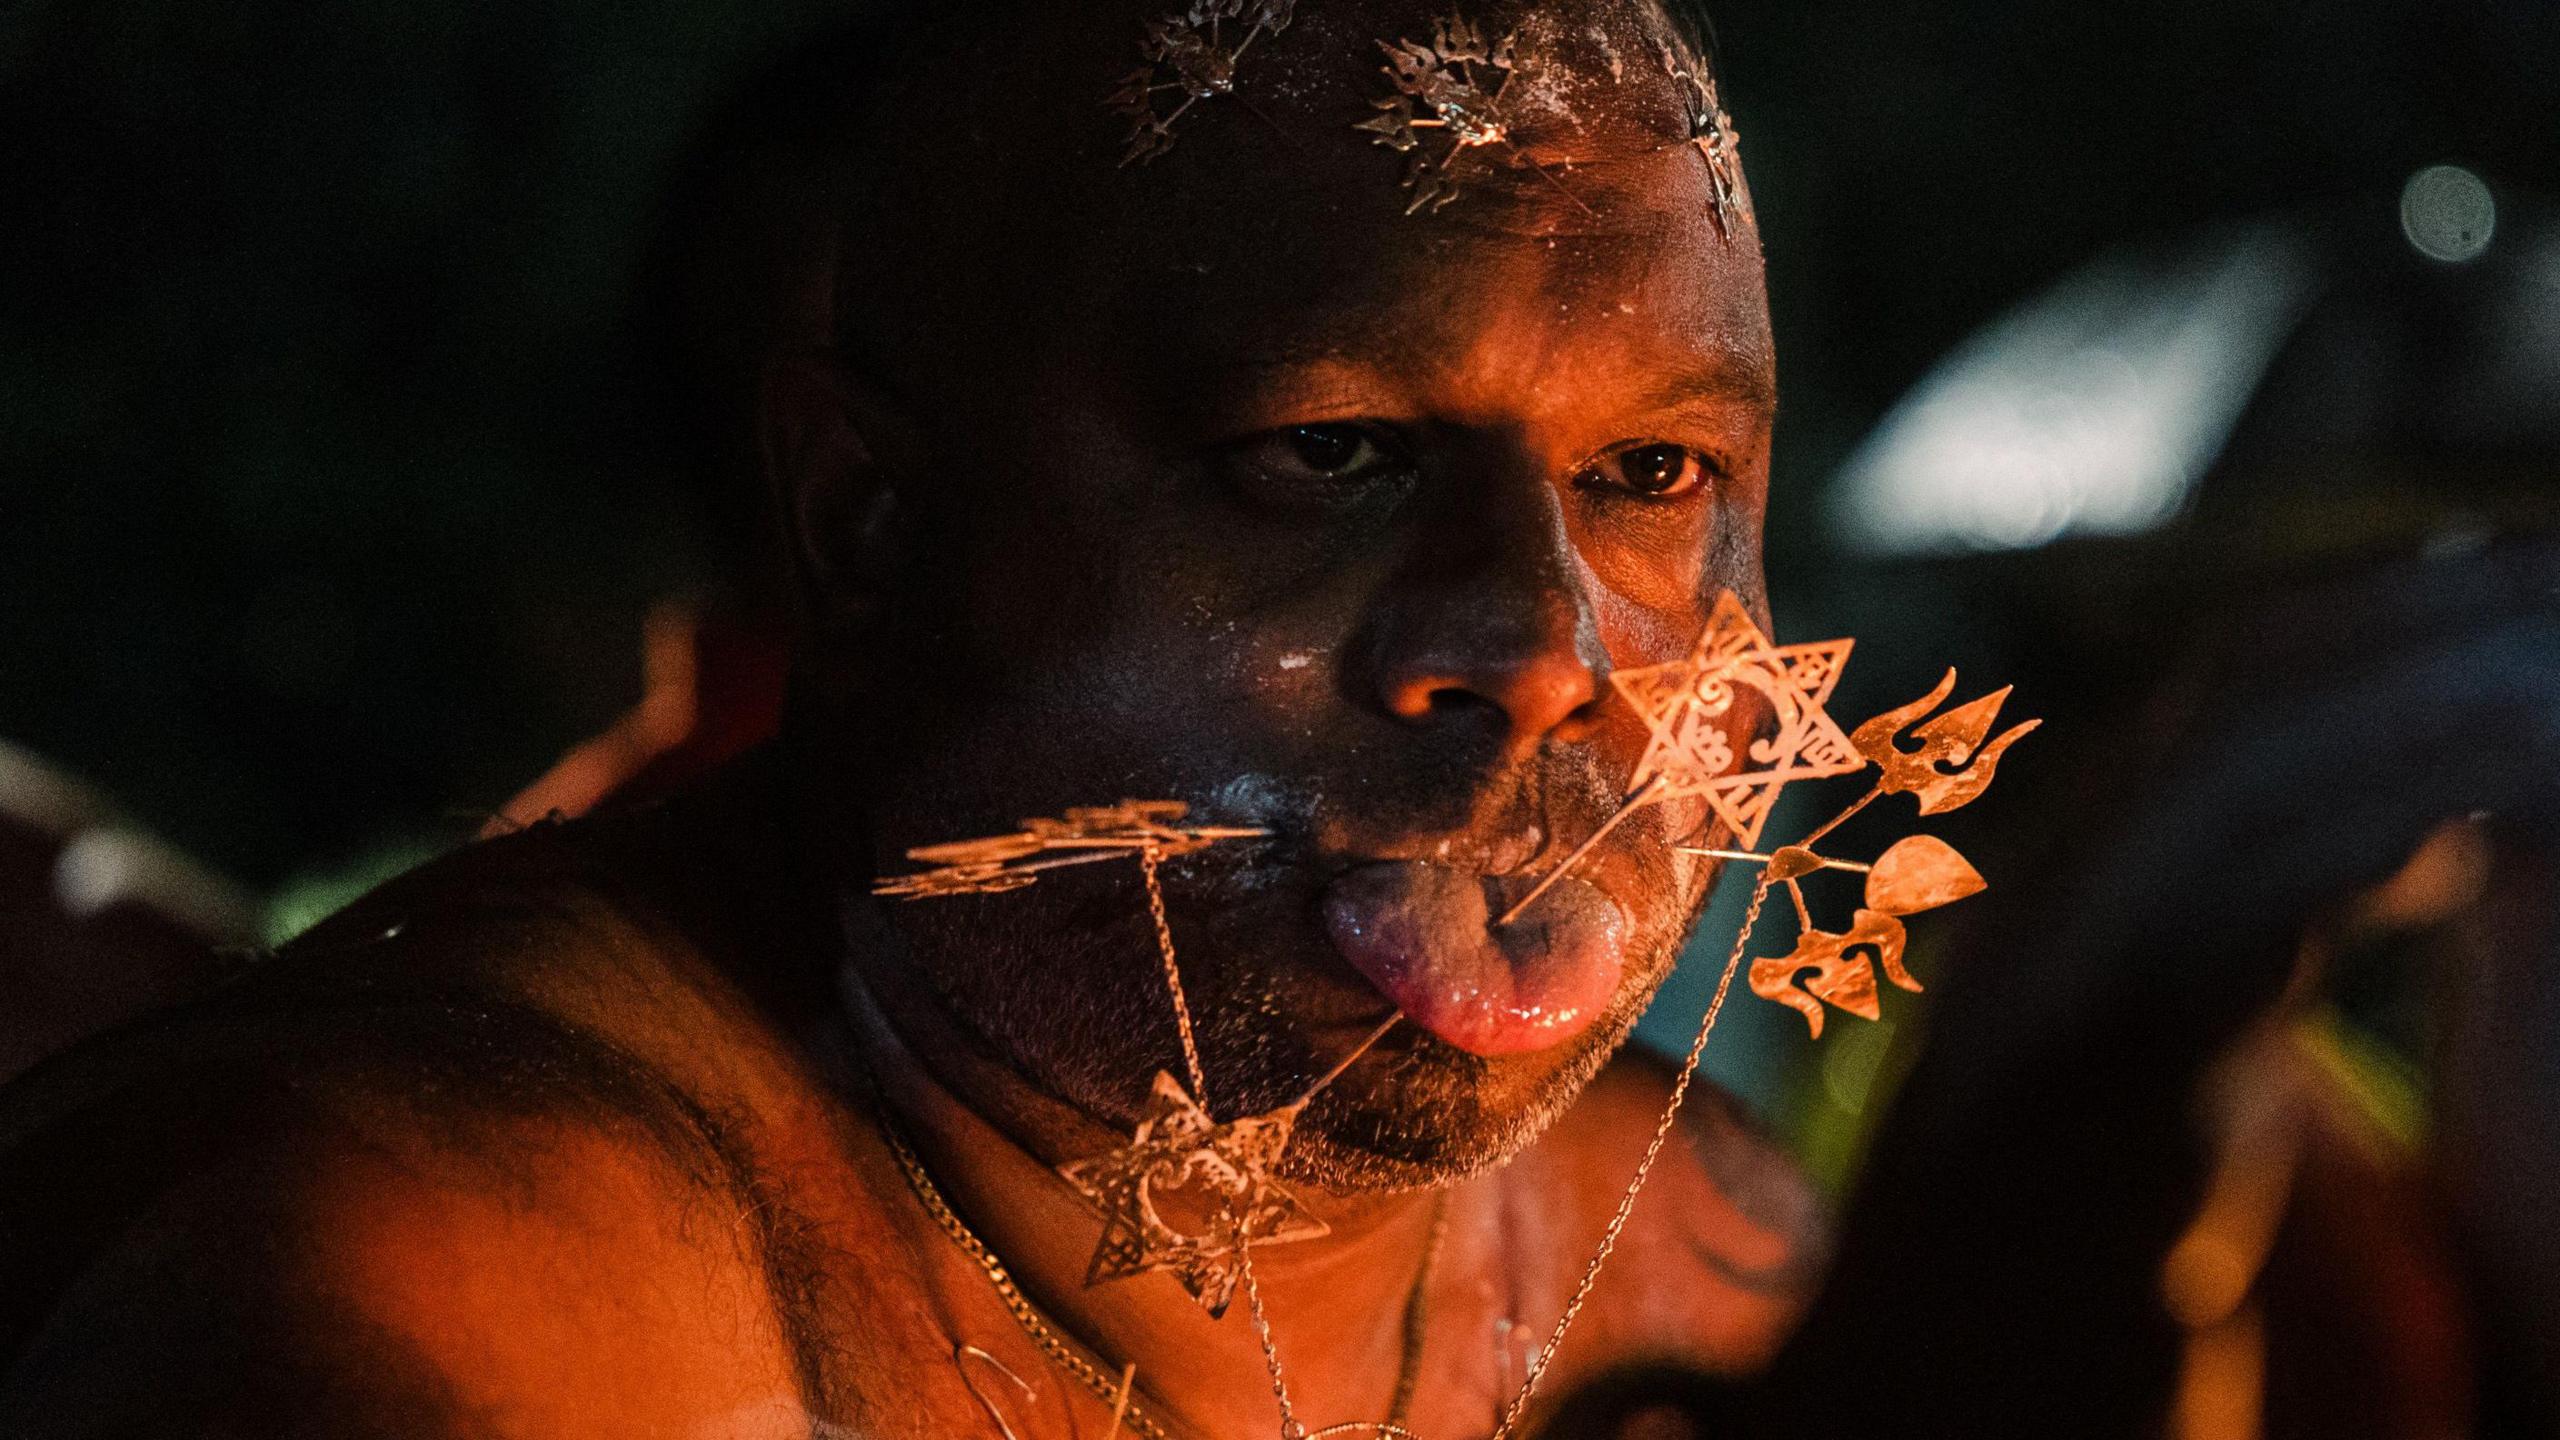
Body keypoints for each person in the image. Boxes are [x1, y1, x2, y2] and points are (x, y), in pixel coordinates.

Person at [5, 5, 2557, 1439]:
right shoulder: (443, 1274)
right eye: (1328, 459)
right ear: (869, 528)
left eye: (1657, 474)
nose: (1545, 637)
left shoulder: (1676, 1252)